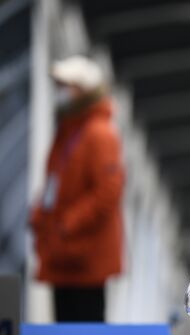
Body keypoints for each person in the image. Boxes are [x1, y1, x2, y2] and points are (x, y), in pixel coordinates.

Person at [30, 55, 125, 322]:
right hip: (63, 253)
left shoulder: (99, 134)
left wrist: (66, 224)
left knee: (85, 320)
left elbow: (108, 192)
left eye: (65, 85)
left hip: (85, 255)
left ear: (83, 91)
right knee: (65, 321)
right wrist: (42, 219)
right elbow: (54, 185)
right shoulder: (69, 132)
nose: (59, 92)